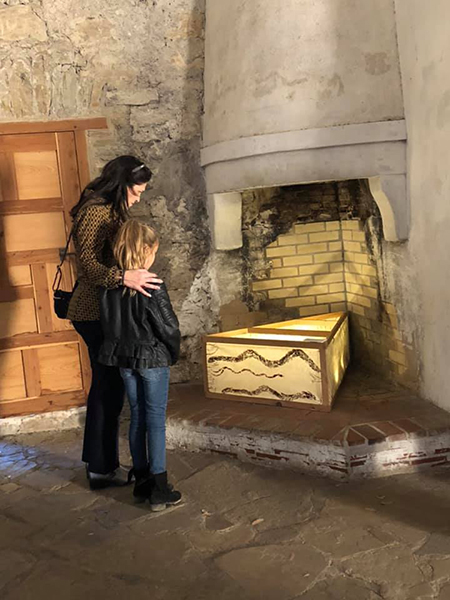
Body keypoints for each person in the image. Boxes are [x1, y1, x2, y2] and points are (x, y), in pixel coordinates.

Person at [68, 156, 162, 490]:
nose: (138, 199)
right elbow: (89, 266)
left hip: (105, 312)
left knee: (110, 387)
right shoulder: (96, 211)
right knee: (107, 388)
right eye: (136, 191)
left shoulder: (111, 209)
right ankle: (100, 468)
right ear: (121, 185)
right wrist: (124, 277)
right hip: (93, 313)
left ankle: (101, 465)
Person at [98, 219, 182, 511]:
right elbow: (168, 327)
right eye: (154, 250)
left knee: (137, 416)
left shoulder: (110, 286)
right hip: (152, 358)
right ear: (146, 250)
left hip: (124, 358)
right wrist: (173, 352)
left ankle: (142, 480)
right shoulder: (152, 284)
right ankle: (159, 488)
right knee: (155, 420)